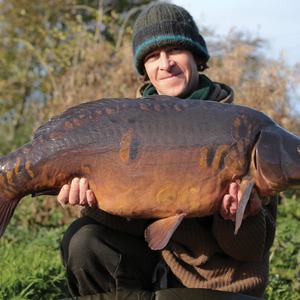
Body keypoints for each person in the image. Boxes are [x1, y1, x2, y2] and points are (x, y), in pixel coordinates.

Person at [57, 2, 277, 299]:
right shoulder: (127, 126)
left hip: (217, 287)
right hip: (158, 270)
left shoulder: (246, 130)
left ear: (197, 57)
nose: (165, 64)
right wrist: (92, 197)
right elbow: (136, 228)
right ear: (144, 70)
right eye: (152, 56)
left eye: (175, 50)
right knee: (83, 240)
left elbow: (249, 252)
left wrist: (240, 214)